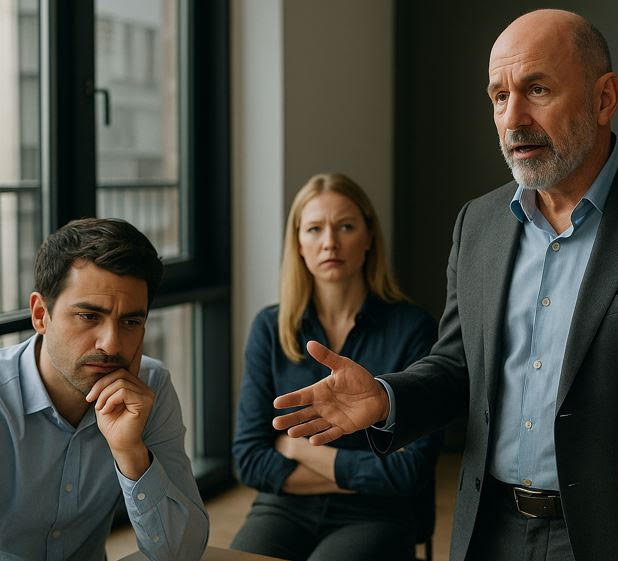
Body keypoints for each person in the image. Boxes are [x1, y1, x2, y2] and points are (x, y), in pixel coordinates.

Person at [272, 10, 618, 561]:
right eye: (499, 96)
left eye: (537, 89)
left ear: (604, 98)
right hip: (492, 531)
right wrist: (388, 397)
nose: (513, 118)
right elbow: (456, 367)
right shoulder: (478, 223)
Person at [231, 173, 441, 561]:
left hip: (378, 514)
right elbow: (249, 460)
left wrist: (298, 449)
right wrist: (365, 473)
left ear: (369, 237)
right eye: (314, 229)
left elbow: (410, 471)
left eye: (346, 226)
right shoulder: (270, 328)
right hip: (284, 507)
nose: (330, 242)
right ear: (298, 244)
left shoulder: (414, 329)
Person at [0, 218, 208, 561]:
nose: (111, 345)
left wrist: (130, 452)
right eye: (88, 316)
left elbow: (181, 553)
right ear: (40, 315)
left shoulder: (149, 388)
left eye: (131, 322)